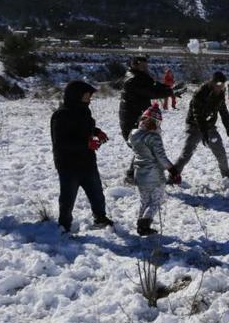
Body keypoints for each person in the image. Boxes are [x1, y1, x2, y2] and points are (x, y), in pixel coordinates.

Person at [50, 80, 114, 233]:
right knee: (68, 198)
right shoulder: (61, 115)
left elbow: (84, 127)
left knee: (96, 192)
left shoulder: (84, 111)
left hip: (87, 161)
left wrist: (96, 132)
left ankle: (100, 217)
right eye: (87, 95)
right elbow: (60, 143)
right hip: (68, 164)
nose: (90, 98)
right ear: (76, 95)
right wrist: (86, 144)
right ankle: (64, 225)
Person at [170, 71, 229, 182]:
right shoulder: (201, 93)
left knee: (221, 152)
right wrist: (203, 132)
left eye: (223, 85)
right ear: (212, 83)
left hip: (210, 126)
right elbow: (197, 115)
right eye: (218, 85)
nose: (221, 88)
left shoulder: (220, 93)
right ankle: (172, 177)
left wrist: (228, 127)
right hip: (194, 125)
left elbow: (223, 111)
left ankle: (226, 175)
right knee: (186, 154)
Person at [119, 56, 174, 183]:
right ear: (134, 65)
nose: (146, 68)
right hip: (132, 119)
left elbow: (153, 85)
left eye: (146, 65)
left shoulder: (140, 76)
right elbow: (151, 91)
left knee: (143, 145)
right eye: (143, 66)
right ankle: (133, 175)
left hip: (138, 117)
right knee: (143, 145)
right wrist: (168, 92)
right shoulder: (133, 79)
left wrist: (168, 89)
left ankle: (133, 175)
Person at [129, 104, 174, 236]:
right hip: (154, 175)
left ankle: (141, 225)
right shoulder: (154, 137)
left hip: (140, 174)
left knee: (144, 201)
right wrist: (173, 171)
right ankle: (144, 225)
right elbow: (161, 157)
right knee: (156, 201)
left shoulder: (133, 134)